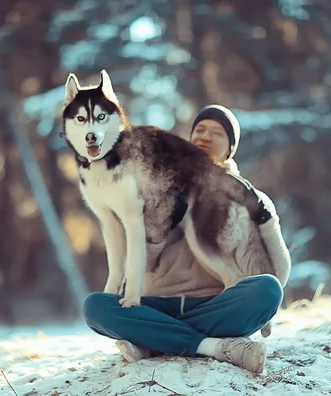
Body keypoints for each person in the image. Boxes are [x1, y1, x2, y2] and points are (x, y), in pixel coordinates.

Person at [82, 105, 289, 374]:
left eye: (216, 133)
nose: (205, 137)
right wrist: (161, 227)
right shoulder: (152, 187)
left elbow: (279, 269)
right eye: (199, 130)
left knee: (268, 290)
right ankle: (215, 345)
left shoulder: (250, 198)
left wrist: (263, 217)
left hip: (216, 305)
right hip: (156, 306)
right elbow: (135, 263)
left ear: (229, 150)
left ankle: (155, 341)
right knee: (95, 306)